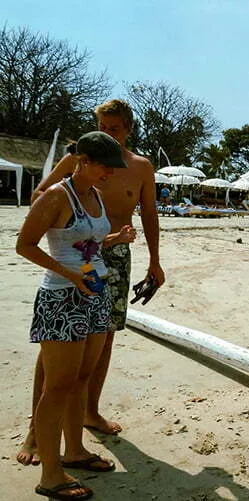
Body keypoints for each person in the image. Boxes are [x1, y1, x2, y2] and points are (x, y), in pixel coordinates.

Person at [17, 99, 165, 466]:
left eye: (113, 128)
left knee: (103, 338)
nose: (106, 133)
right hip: (72, 256)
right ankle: (37, 428)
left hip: (112, 255)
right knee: (58, 348)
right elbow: (41, 199)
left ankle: (89, 412)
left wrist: (155, 261)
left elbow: (149, 212)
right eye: (101, 125)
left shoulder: (141, 167)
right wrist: (68, 218)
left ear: (128, 129)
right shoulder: (81, 158)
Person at [17, 131, 130, 500]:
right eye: (104, 167)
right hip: (62, 298)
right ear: (83, 161)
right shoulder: (56, 195)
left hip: (94, 294)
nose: (110, 174)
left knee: (82, 377)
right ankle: (51, 474)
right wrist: (69, 275)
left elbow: (86, 244)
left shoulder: (93, 194)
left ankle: (75, 450)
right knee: (58, 385)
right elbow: (24, 245)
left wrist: (115, 240)